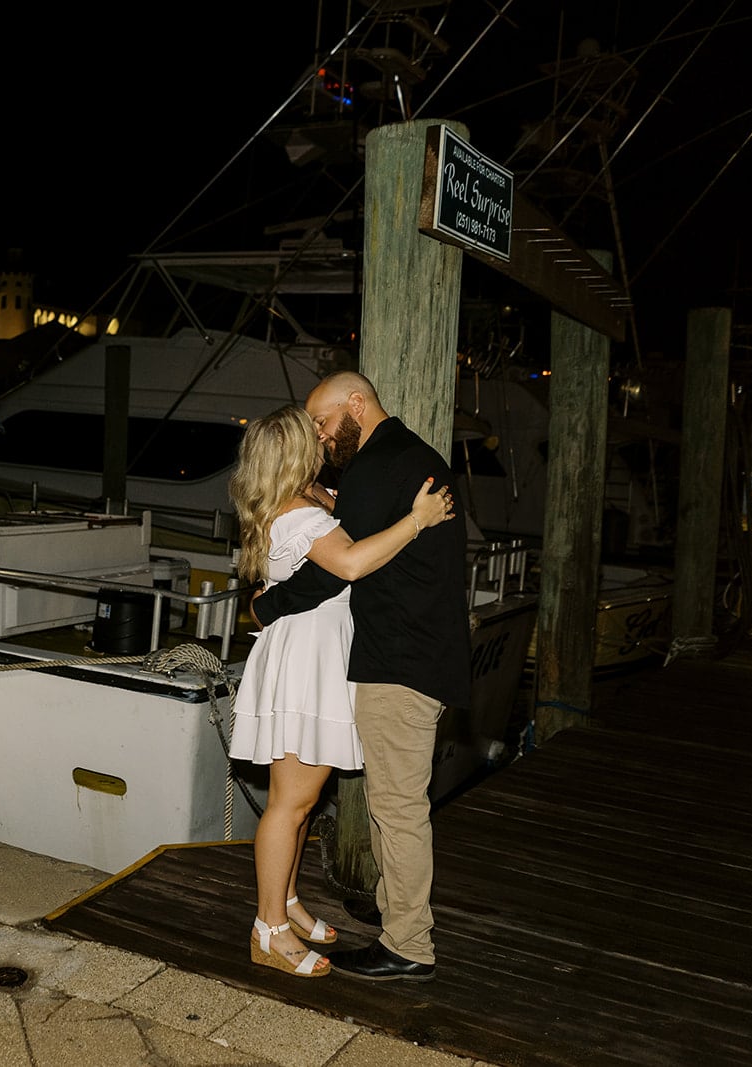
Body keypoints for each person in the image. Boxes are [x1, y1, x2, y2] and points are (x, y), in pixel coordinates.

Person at [251, 370, 471, 983]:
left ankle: (406, 943)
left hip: (398, 663)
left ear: (356, 404)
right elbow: (342, 547)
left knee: (395, 808)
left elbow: (335, 570)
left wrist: (263, 606)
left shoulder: (379, 467)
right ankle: (290, 916)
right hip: (399, 658)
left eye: (323, 422)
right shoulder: (410, 459)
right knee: (331, 802)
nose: (320, 438)